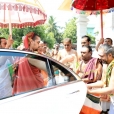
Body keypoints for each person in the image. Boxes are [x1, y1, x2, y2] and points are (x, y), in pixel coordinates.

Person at [87, 44, 114, 114]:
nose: (99, 58)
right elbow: (103, 82)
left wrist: (90, 92)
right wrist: (88, 86)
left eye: (102, 56)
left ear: (110, 55)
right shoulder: (107, 65)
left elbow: (111, 89)